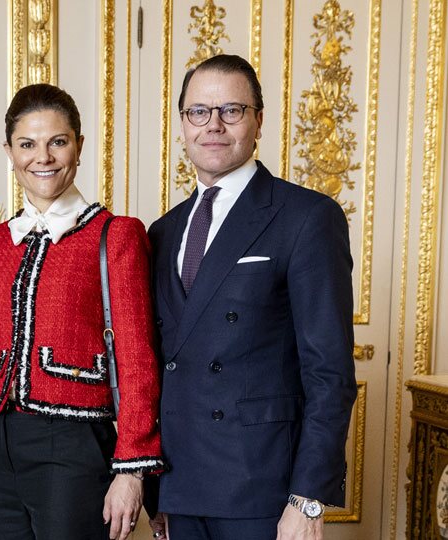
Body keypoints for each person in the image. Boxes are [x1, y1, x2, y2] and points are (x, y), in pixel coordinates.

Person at [146, 54, 357, 540]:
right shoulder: (163, 230)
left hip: (264, 487)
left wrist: (307, 499)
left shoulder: (306, 216)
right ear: (183, 124)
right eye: (199, 111)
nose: (213, 125)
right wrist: (154, 486)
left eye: (232, 111)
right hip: (180, 483)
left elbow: (329, 371)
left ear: (258, 120)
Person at [0, 83, 164, 540]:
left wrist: (130, 469)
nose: (42, 157)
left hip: (73, 445)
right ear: (9, 151)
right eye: (27, 144)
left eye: (57, 142)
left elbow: (138, 360)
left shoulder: (117, 236)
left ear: (79, 146)